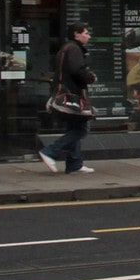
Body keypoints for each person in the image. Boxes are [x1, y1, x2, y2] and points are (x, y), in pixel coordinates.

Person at [40, 21, 98, 174]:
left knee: (74, 126)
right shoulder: (73, 49)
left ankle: (74, 163)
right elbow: (76, 70)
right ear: (76, 34)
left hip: (67, 91)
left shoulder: (67, 48)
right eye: (85, 33)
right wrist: (91, 77)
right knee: (81, 129)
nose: (88, 36)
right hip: (71, 93)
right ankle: (50, 151)